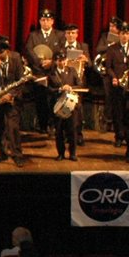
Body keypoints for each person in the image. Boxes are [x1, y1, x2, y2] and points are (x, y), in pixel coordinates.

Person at [0, 36, 29, 166]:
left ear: (7, 51)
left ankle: (17, 155)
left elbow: (21, 81)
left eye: (1, 52)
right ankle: (2, 153)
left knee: (12, 128)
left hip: (12, 100)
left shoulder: (16, 58)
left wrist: (11, 95)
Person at [23, 7, 65, 133]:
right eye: (42, 20)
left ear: (52, 21)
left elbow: (63, 51)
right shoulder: (33, 35)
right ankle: (42, 125)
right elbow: (29, 51)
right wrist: (40, 63)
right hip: (38, 73)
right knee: (40, 100)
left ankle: (54, 124)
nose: (45, 22)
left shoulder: (60, 35)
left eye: (47, 20)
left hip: (54, 73)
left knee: (54, 99)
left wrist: (52, 62)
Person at [48, 28, 87, 161]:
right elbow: (50, 90)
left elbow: (80, 85)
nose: (62, 62)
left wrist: (71, 87)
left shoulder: (72, 71)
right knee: (59, 132)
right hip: (58, 106)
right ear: (55, 61)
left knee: (72, 131)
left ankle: (73, 153)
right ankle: (60, 153)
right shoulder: (52, 74)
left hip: (72, 106)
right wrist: (60, 89)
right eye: (59, 60)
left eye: (63, 59)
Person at [100, 22, 129, 149]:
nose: (125, 36)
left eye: (127, 34)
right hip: (117, 85)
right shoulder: (112, 48)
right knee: (118, 113)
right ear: (118, 35)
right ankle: (119, 137)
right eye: (122, 34)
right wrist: (114, 77)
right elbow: (108, 67)